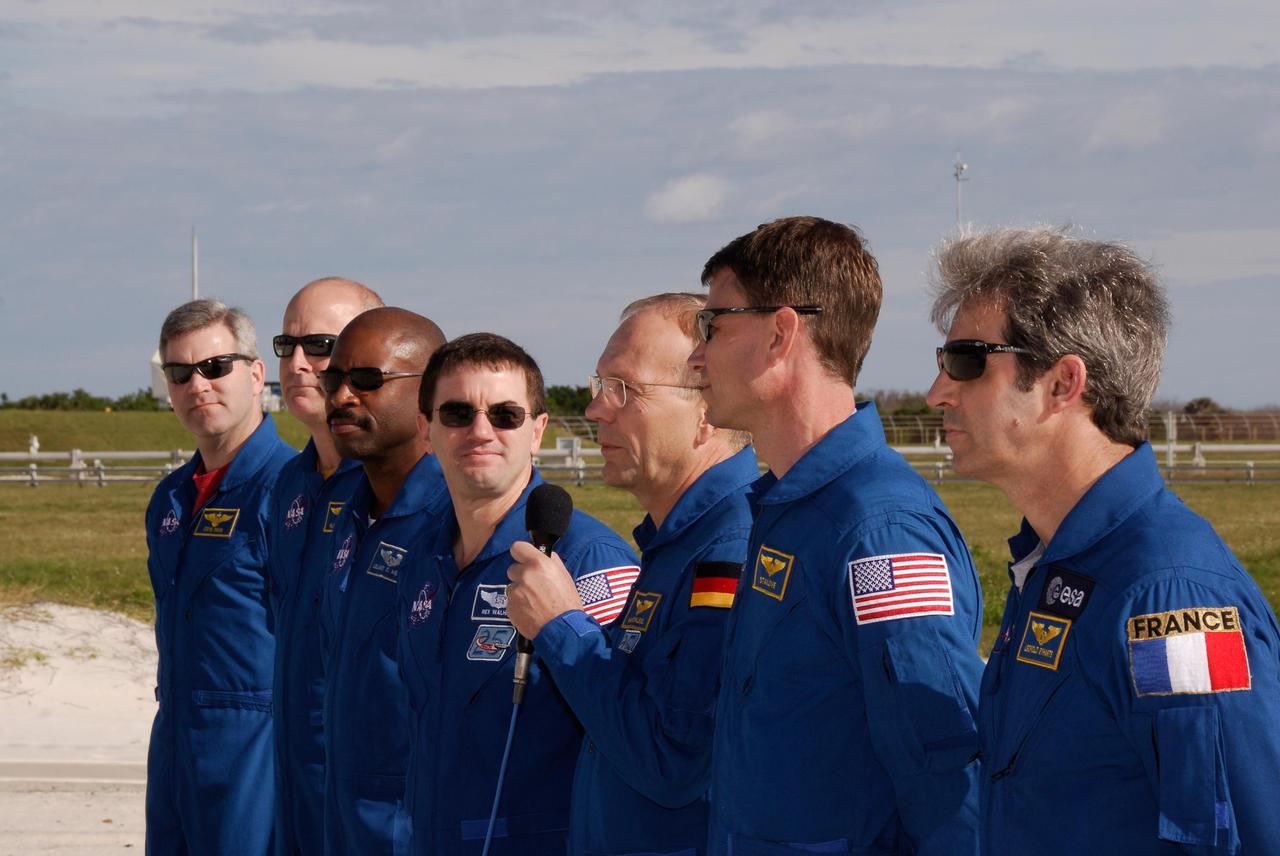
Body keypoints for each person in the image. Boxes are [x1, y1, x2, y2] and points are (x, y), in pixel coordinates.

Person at [925, 227, 1280, 854]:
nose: (937, 393)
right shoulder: (1056, 564)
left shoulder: (1167, 601)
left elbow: (1246, 834)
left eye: (967, 362)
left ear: (1064, 383)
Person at [688, 216, 984, 855]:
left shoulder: (878, 531)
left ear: (780, 332)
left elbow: (946, 777)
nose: (695, 354)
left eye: (711, 325)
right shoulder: (790, 510)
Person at [506, 293, 758, 855]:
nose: (597, 409)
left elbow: (673, 761)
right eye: (599, 386)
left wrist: (561, 625)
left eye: (624, 389)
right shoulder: (677, 543)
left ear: (705, 410)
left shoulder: (731, 550)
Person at [397, 333, 641, 855]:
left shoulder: (588, 559)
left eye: (505, 415)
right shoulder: (421, 556)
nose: (480, 431)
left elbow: (631, 734)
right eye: (458, 413)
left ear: (538, 431)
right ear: (426, 430)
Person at [145, 298, 294, 856]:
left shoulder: (289, 492)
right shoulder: (170, 500)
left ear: (256, 374)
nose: (197, 385)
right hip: (175, 739)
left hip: (257, 745)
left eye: (215, 367)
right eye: (180, 373)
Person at [318, 307, 448, 855]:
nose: (342, 396)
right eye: (334, 379)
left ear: (428, 396)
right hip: (343, 807)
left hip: (420, 819)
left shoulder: (458, 520)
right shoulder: (346, 511)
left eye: (368, 380)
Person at [267, 277, 383, 856]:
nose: (298, 363)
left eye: (319, 344)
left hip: (381, 796)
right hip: (298, 775)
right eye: (286, 346)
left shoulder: (404, 487)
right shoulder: (290, 482)